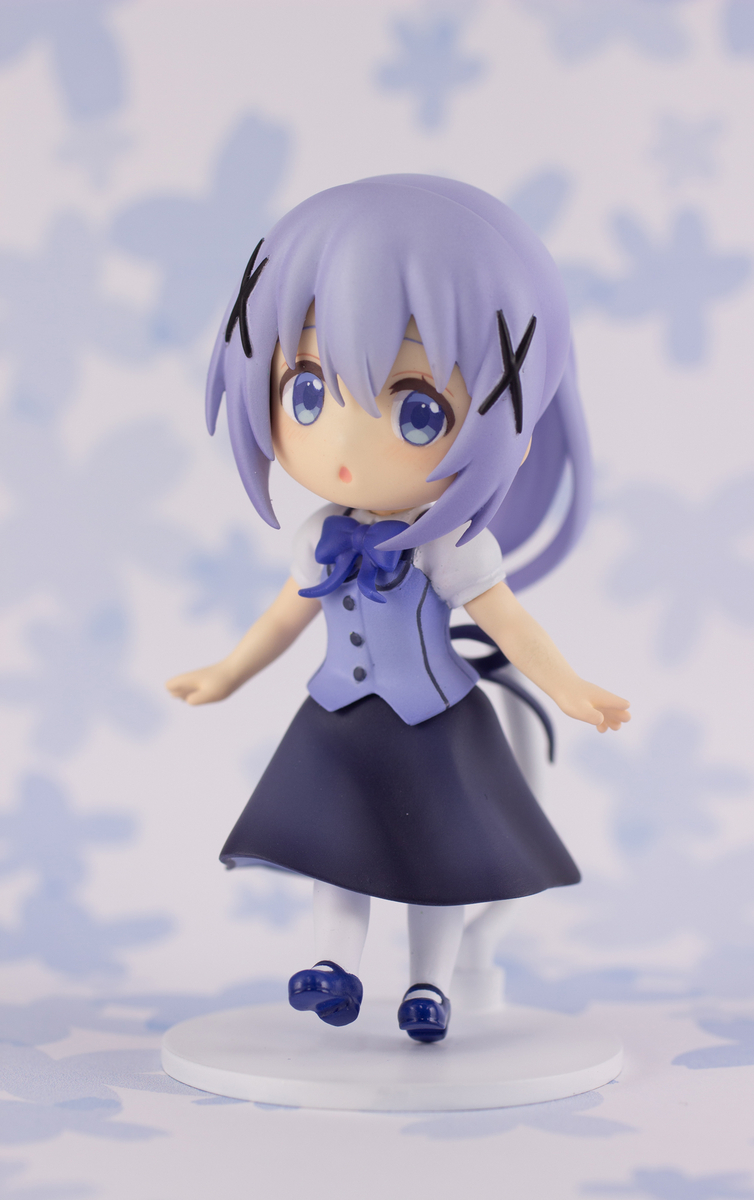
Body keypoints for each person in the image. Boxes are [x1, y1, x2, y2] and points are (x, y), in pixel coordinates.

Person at [166, 175, 630, 1043]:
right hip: (337, 716)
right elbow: (286, 616)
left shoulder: (450, 547)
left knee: (439, 865)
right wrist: (226, 672)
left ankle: (429, 987)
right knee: (332, 846)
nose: (344, 445)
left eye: (419, 409)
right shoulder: (319, 533)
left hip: (434, 723)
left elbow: (508, 623)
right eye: (308, 391)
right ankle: (332, 966)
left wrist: (569, 689)